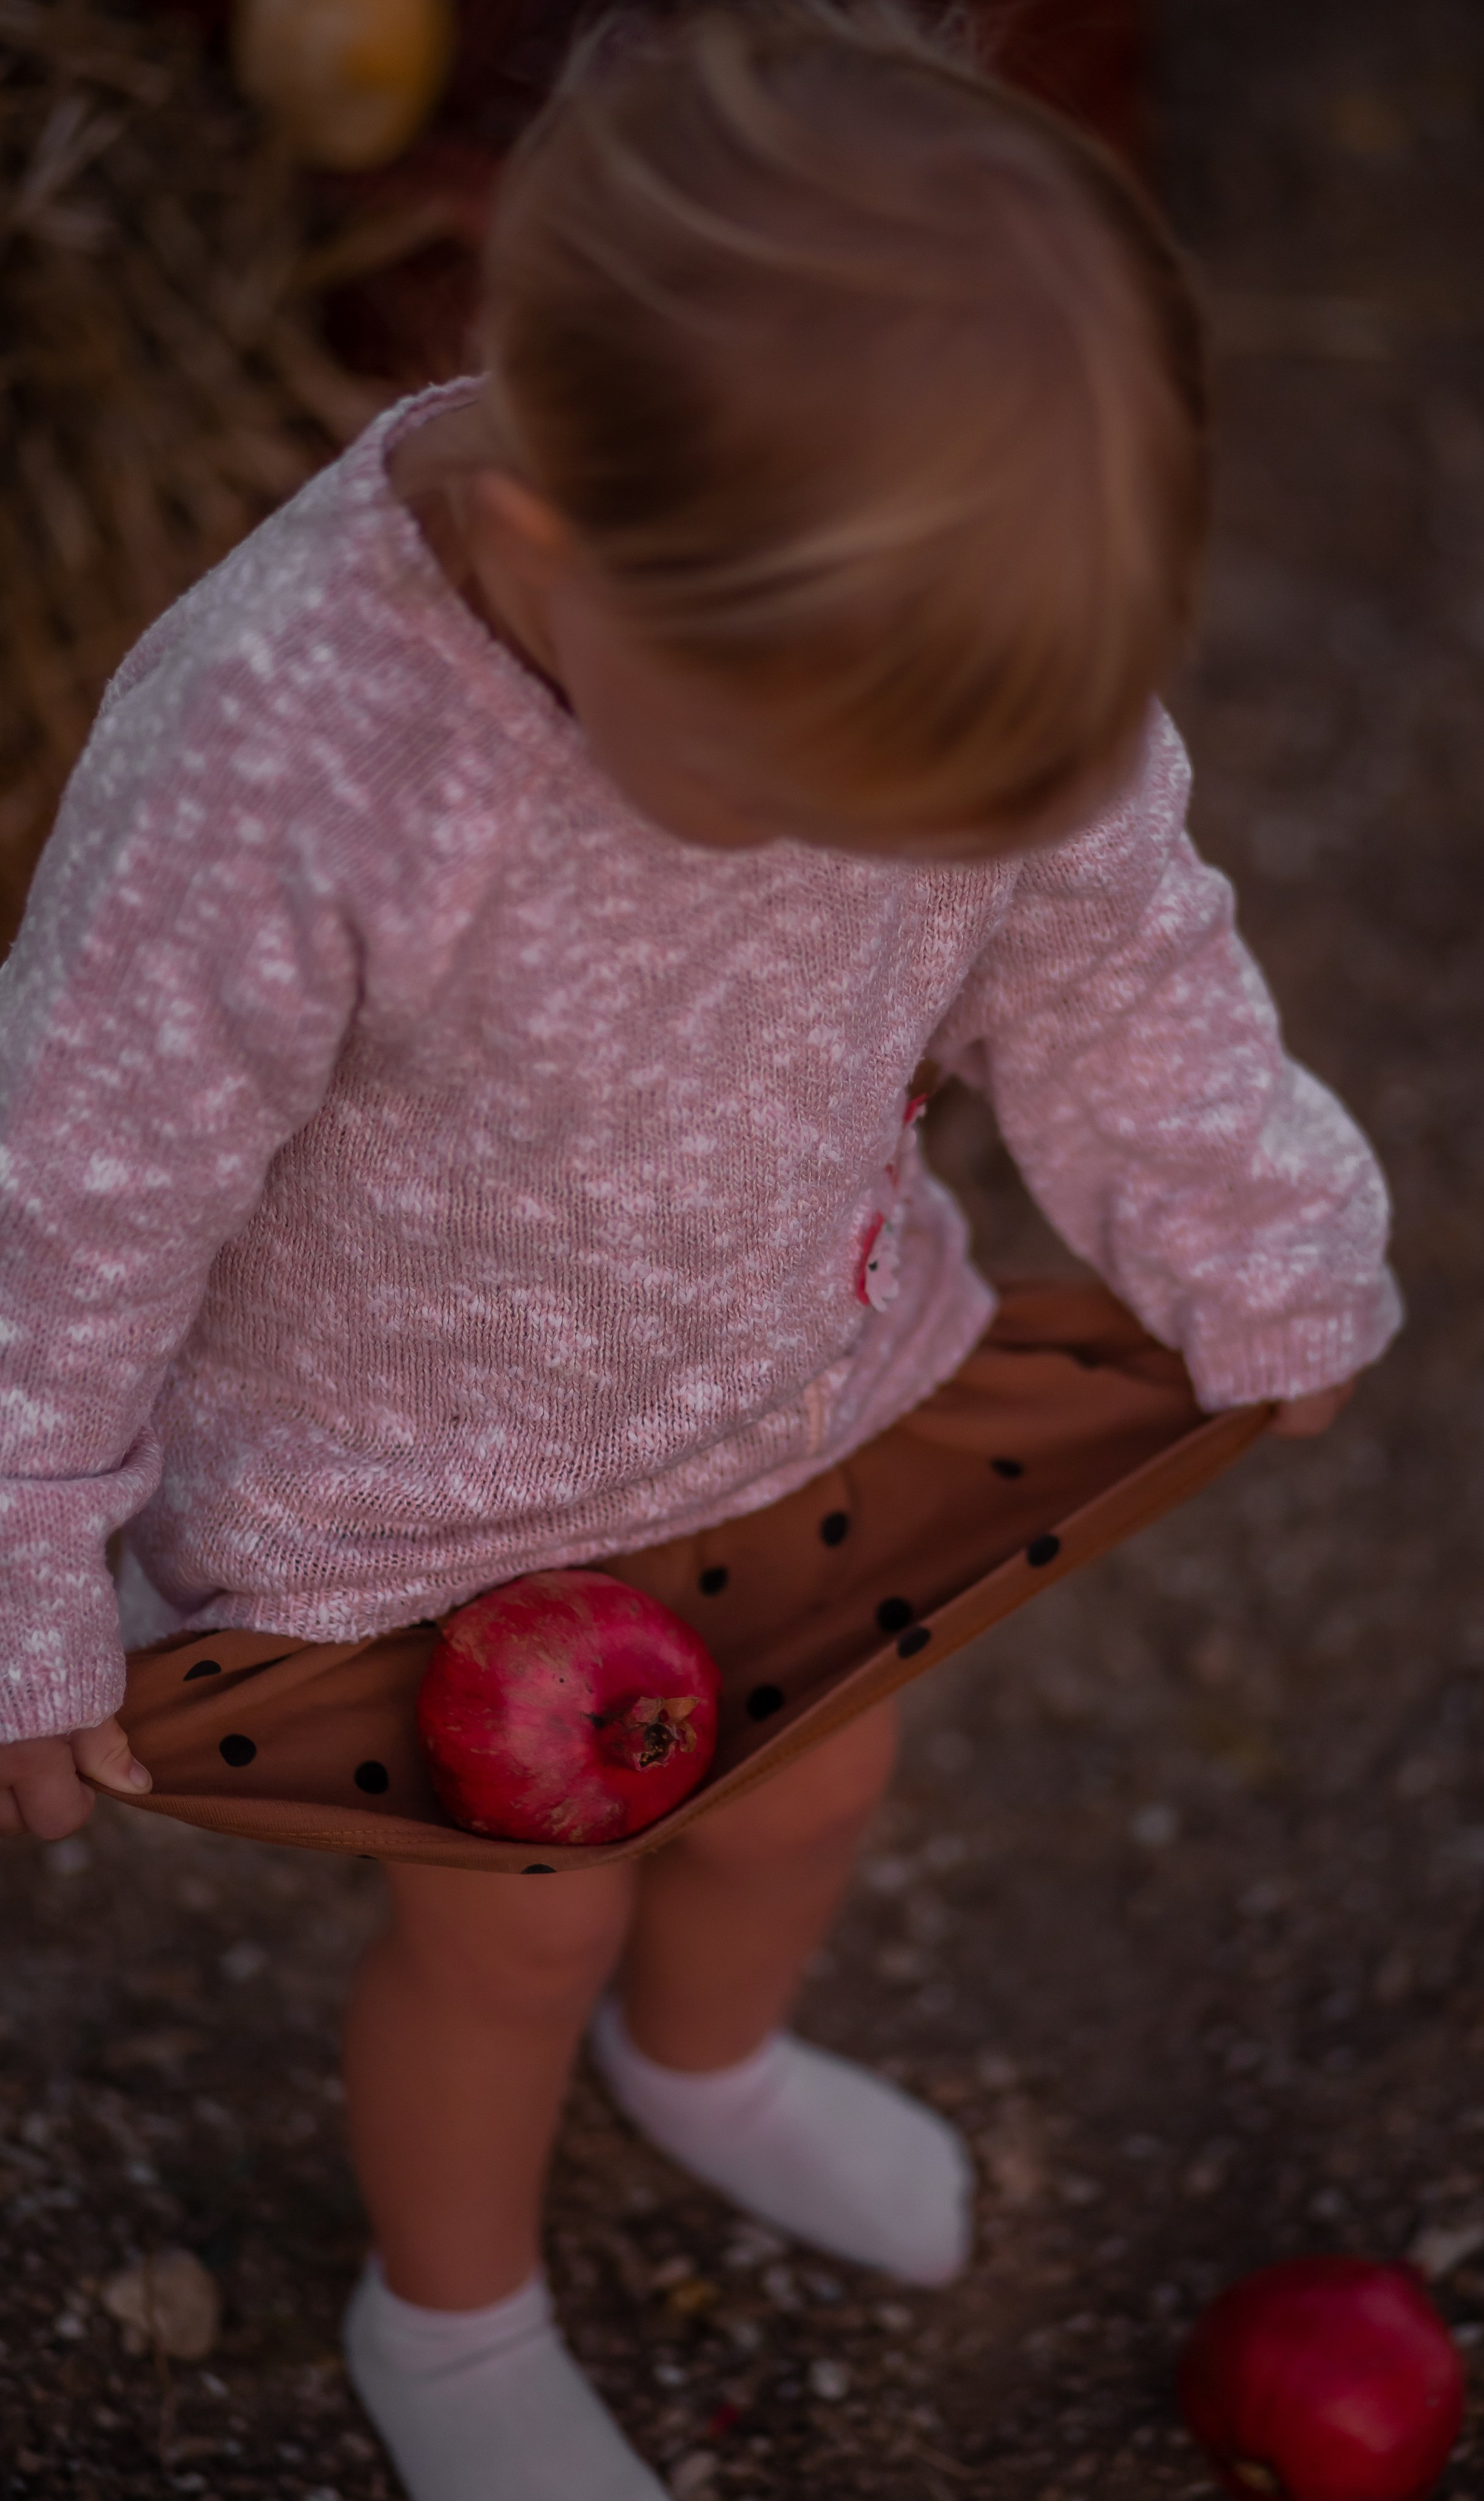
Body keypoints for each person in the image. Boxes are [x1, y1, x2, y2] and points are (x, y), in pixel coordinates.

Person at [0, 7, 1400, 2496]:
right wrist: (19, 1570)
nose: (879, 853)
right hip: (399, 1488)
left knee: (801, 1790)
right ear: (555, 555)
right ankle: (449, 2318)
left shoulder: (931, 638)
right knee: (514, 1926)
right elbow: (71, 1185)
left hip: (798, 1366)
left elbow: (1110, 943)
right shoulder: (293, 753)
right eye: (802, 801)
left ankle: (715, 2060)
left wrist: (1250, 1222)